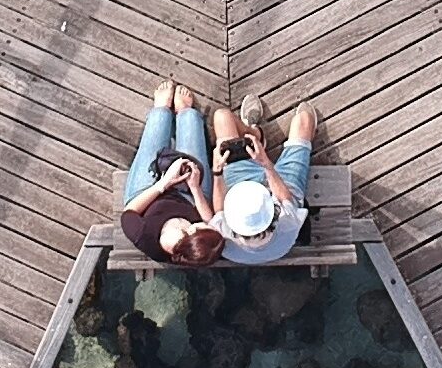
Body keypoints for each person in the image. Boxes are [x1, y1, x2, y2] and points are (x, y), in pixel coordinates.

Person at [119, 80, 225, 267]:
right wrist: (195, 188)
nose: (201, 224)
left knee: (158, 125)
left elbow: (129, 212)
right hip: (188, 195)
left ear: (190, 235)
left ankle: (162, 108)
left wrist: (163, 183)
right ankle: (184, 111)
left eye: (197, 227)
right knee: (191, 119)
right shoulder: (200, 243)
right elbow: (209, 219)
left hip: (147, 194)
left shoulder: (144, 237)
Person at [206, 94, 320, 265]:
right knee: (304, 119)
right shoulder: (287, 224)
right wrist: (266, 163)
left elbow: (219, 209)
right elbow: (285, 198)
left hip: (240, 182)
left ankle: (254, 133)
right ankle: (254, 136)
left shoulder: (223, 239)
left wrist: (217, 172)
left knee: (222, 117)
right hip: (284, 189)